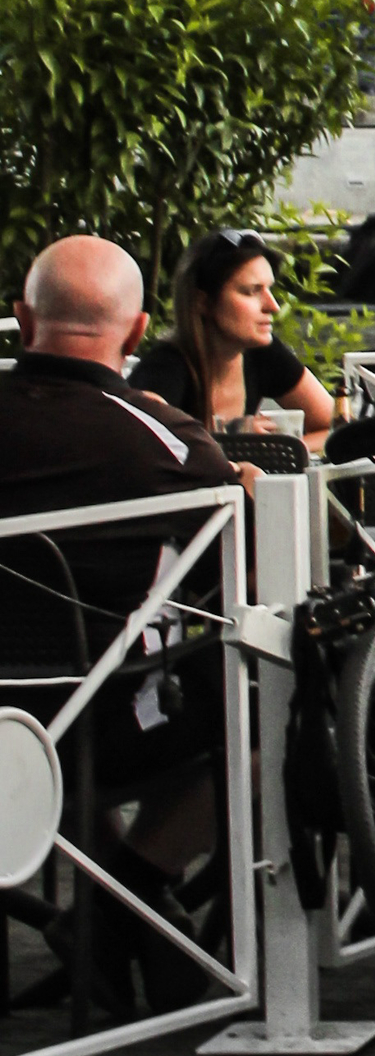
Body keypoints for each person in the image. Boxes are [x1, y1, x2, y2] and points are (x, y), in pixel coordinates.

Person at [0, 236, 241, 1006]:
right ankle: (118, 907)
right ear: (138, 334)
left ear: (21, 318)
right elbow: (229, 579)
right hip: (97, 731)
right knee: (259, 701)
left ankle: (105, 923)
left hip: (10, 728)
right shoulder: (167, 444)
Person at [128, 229, 334, 445]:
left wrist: (277, 451)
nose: (273, 306)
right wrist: (232, 441)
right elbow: (146, 450)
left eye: (269, 289)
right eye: (251, 291)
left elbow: (331, 425)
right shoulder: (165, 368)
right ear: (203, 302)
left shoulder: (261, 352)